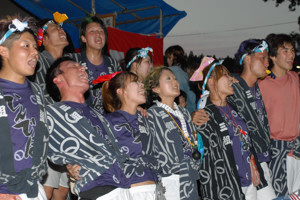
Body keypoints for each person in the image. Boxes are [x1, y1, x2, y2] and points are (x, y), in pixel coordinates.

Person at [45, 57, 132, 200]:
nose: (82, 68)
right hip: (96, 188)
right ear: (58, 79)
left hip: (123, 186)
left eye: (81, 66)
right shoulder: (51, 113)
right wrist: (69, 166)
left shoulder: (99, 115)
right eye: (73, 66)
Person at [195, 61, 267, 200]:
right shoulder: (204, 115)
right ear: (211, 82)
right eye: (225, 75)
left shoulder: (234, 106)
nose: (231, 79)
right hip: (227, 186)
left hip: (250, 179)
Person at [0, 17, 49, 199]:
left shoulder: (38, 93)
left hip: (34, 189)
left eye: (36, 48)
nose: (35, 52)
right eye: (26, 46)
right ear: (3, 51)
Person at [228, 39, 277, 199]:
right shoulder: (231, 89)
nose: (267, 62)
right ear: (247, 59)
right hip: (243, 164)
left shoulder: (256, 87)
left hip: (261, 160)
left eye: (267, 58)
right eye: (262, 57)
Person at [102, 71, 162, 199]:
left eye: (141, 82)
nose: (142, 85)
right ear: (121, 91)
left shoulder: (146, 118)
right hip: (131, 191)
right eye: (135, 82)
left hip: (155, 189)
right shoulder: (109, 121)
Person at [143, 67, 200, 200]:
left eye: (175, 78)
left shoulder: (184, 112)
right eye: (168, 79)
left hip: (190, 174)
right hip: (170, 178)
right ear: (156, 89)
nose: (175, 82)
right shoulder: (152, 114)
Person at [258, 34, 300, 197]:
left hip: (296, 146)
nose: (291, 55)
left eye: (292, 50)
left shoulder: (295, 78)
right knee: (280, 194)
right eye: (285, 51)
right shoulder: (262, 85)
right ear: (273, 56)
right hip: (275, 149)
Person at [34, 15, 71, 200]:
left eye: (62, 27)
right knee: (47, 188)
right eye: (56, 28)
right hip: (47, 135)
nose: (61, 30)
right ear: (44, 39)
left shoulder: (69, 64)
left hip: (66, 135)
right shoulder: (38, 62)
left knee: (62, 191)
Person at [68, 16, 121, 114]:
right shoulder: (73, 60)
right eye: (92, 31)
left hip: (110, 120)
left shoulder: (113, 63)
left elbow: (121, 92)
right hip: (81, 118)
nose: (98, 34)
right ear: (83, 38)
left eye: (101, 31)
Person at [165, 45, 196, 114]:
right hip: (192, 110)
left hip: (179, 111)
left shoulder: (169, 72)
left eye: (167, 57)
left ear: (172, 56)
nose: (167, 60)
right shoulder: (188, 71)